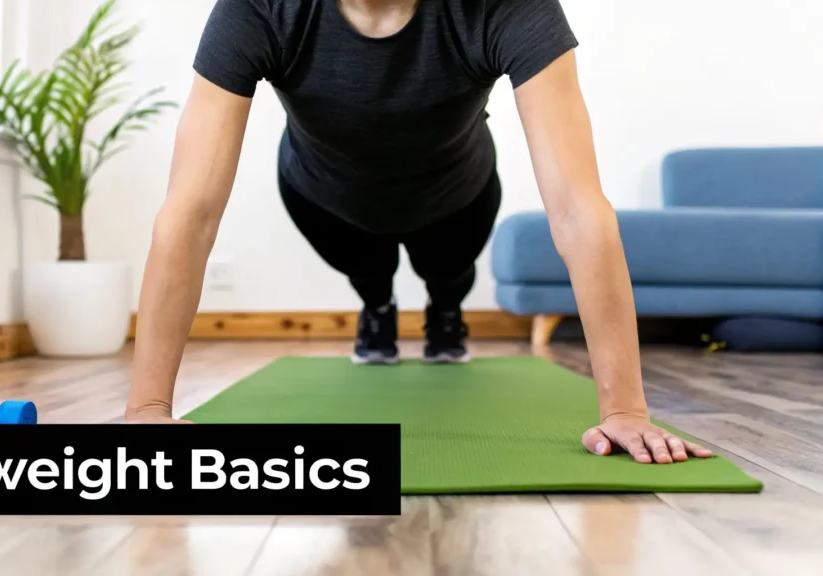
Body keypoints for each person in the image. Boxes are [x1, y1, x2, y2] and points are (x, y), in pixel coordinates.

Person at [126, 0, 714, 465]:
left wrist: (626, 409)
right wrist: (148, 410)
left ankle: (445, 310)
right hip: (324, 194)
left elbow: (579, 209)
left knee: (446, 269)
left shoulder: (504, 6)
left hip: (455, 192)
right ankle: (376, 304)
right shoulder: (258, 8)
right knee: (367, 268)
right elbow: (191, 211)